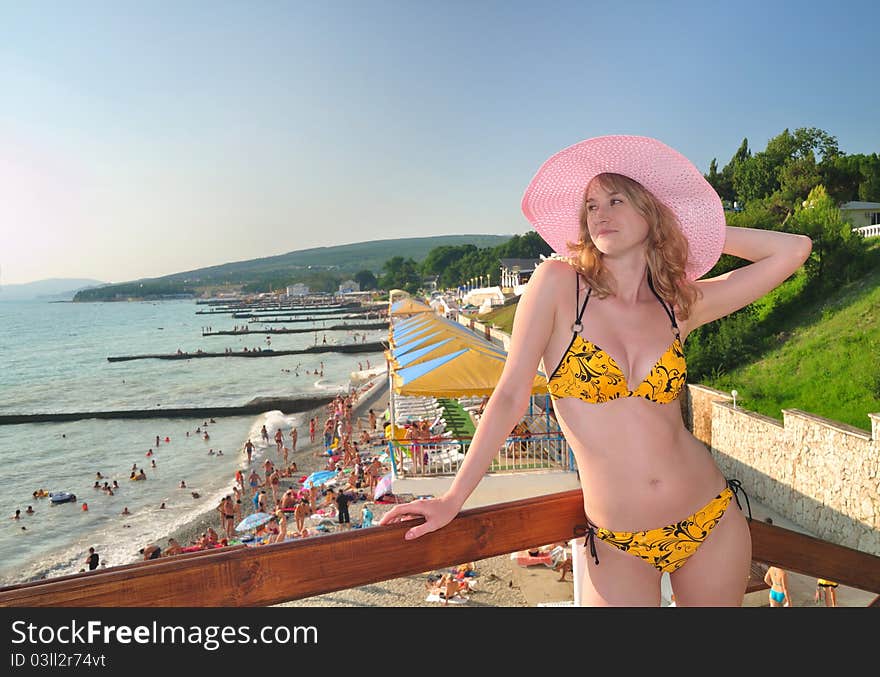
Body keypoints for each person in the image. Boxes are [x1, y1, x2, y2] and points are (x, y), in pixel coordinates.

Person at [379, 135, 813, 607]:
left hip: (709, 515)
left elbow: (793, 250)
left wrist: (691, 224)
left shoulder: (678, 304)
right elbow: (508, 398)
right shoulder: (559, 286)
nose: (600, 214)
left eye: (616, 200)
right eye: (590, 205)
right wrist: (452, 499)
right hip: (617, 539)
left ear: (650, 212)